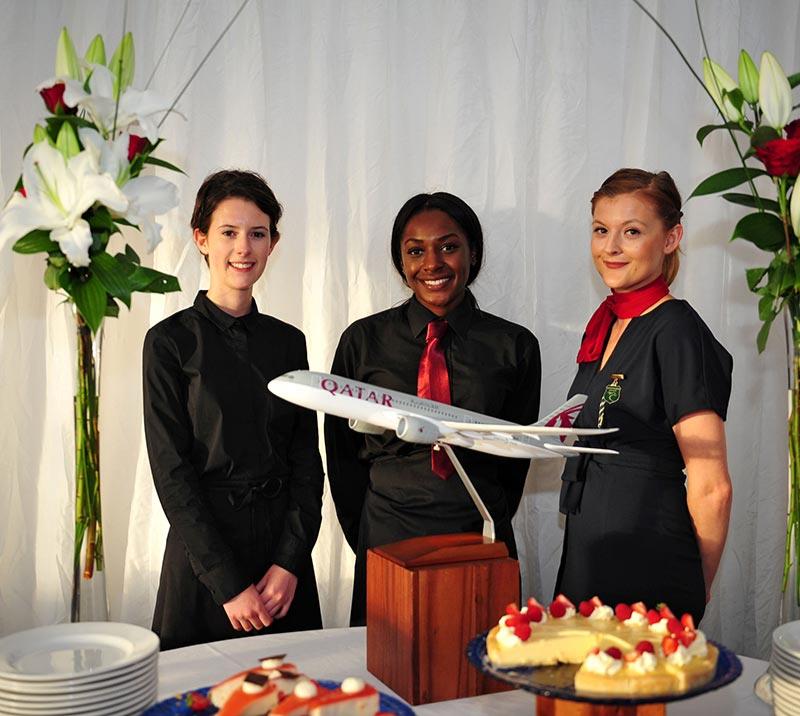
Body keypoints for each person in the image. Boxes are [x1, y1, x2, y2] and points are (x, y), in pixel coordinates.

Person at [325, 192, 541, 625]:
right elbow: (342, 457)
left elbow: (516, 456)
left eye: (448, 246)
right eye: (415, 251)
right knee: (389, 658)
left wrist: (487, 512)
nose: (432, 263)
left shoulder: (514, 345)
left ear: (472, 252)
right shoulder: (362, 342)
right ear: (400, 261)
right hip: (387, 532)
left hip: (478, 534)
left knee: (480, 659)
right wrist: (366, 535)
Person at [143, 170, 324, 649]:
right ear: (201, 239)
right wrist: (227, 583)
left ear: (272, 243)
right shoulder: (168, 342)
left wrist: (289, 563)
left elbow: (307, 462)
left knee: (297, 685)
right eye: (228, 232)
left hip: (281, 568)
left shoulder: (289, 342)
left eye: (257, 234)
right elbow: (171, 474)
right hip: (204, 563)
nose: (243, 248)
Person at [555, 168, 733, 623]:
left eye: (631, 231)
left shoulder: (676, 330)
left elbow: (712, 485)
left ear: (671, 238)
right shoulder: (608, 324)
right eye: (601, 230)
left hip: (648, 561)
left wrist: (695, 587)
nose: (610, 247)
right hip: (590, 553)